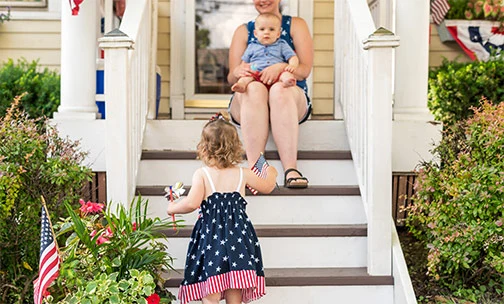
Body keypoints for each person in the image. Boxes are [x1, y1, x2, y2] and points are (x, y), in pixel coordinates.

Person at [166, 112, 278, 304]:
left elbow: (192, 203)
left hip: (212, 237)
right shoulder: (243, 174)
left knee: (212, 286)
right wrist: (270, 170)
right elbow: (268, 186)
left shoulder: (202, 174)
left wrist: (173, 208)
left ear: (204, 148)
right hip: (238, 237)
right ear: (236, 147)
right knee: (234, 282)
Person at [228, 0, 313, 188]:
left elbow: (304, 69)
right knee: (254, 89)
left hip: (288, 95)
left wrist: (282, 68)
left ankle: (291, 169)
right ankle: (256, 169)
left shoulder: (295, 25)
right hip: (250, 97)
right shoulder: (244, 31)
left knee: (278, 90)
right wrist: (239, 73)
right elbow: (231, 76)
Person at [231, 13, 298, 93]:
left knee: (286, 73)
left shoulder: (281, 44)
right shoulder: (252, 46)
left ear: (278, 34)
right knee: (246, 77)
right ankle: (241, 85)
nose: (266, 32)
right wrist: (244, 69)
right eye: (262, 29)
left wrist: (292, 65)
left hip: (277, 74)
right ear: (255, 34)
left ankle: (288, 81)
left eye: (271, 29)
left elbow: (292, 57)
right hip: (256, 72)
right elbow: (244, 63)